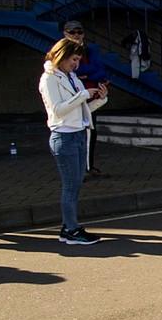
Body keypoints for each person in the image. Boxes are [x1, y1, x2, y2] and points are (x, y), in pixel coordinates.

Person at [38, 37, 108, 245]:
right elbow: (58, 110)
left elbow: (82, 111)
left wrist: (100, 99)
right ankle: (71, 229)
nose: (76, 64)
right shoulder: (49, 78)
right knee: (70, 185)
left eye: (78, 60)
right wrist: (83, 95)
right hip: (64, 136)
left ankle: (69, 226)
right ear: (62, 56)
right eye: (74, 59)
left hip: (78, 134)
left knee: (76, 184)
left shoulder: (72, 77)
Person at [62, 20, 110, 178]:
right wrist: (85, 72)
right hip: (72, 98)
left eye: (79, 32)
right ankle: (78, 169)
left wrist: (86, 75)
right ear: (65, 33)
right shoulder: (62, 51)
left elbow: (101, 71)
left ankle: (88, 166)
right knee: (74, 135)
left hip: (90, 96)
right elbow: (71, 72)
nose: (76, 35)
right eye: (72, 32)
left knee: (91, 131)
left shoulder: (90, 50)